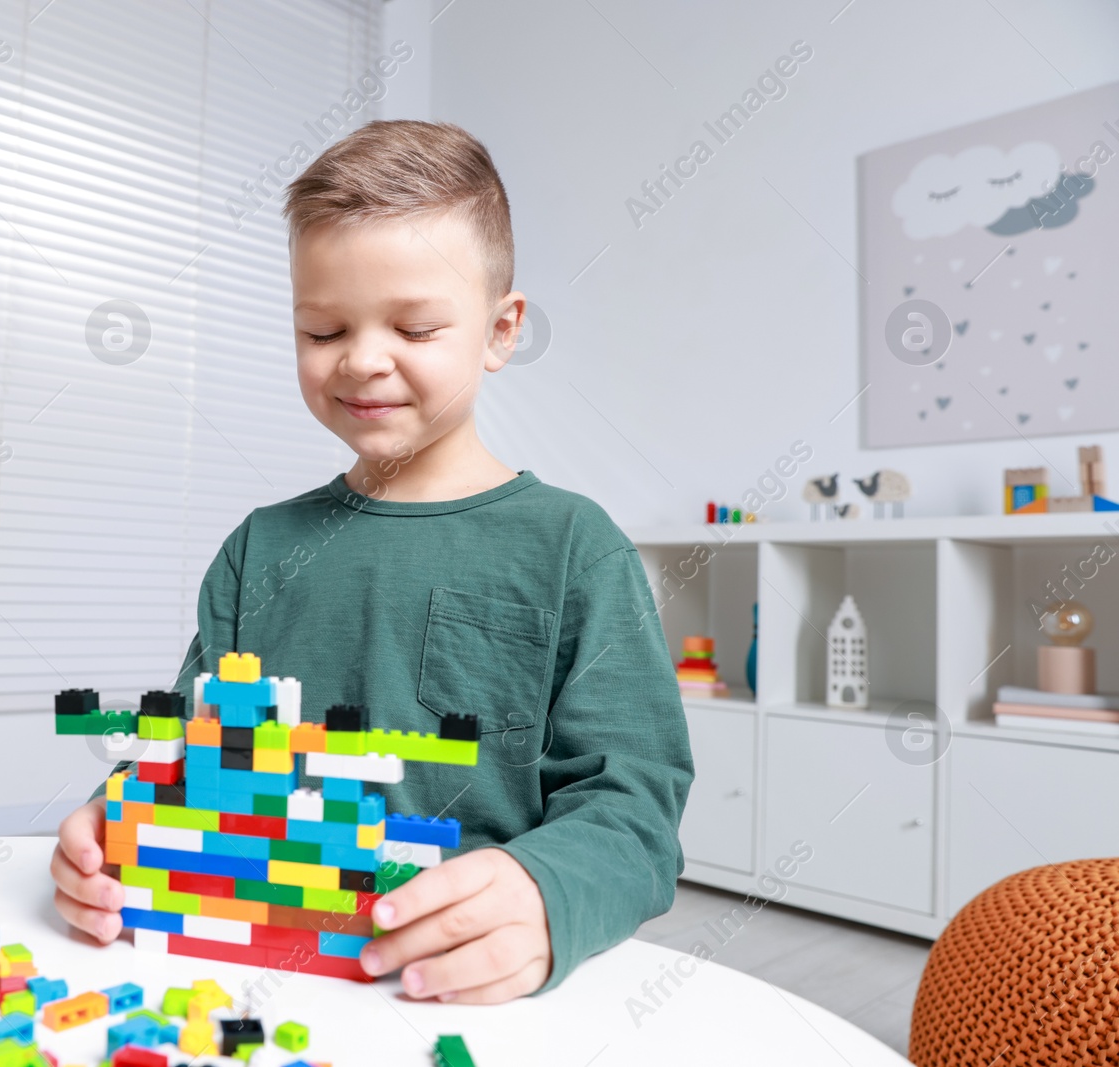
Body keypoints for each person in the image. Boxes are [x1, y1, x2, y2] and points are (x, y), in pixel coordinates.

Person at [51, 119, 693, 1003]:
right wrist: (114, 823)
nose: (361, 359)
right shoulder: (257, 551)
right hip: (240, 974)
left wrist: (545, 893)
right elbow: (191, 749)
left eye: (417, 327)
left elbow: (634, 806)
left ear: (501, 332)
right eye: (322, 331)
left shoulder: (575, 548)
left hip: (458, 986)